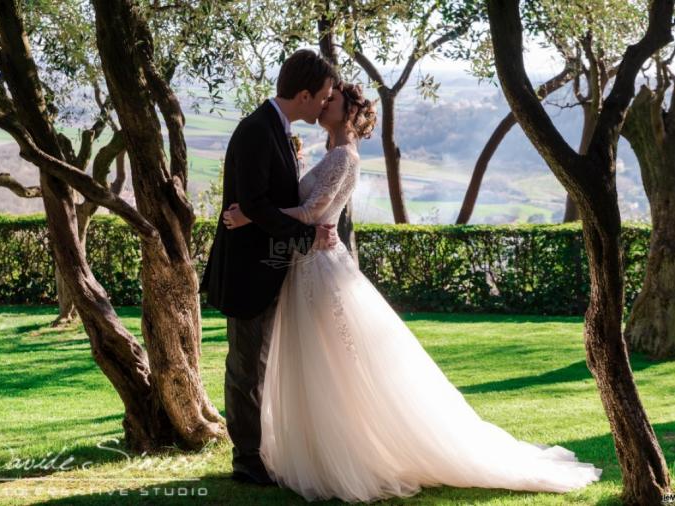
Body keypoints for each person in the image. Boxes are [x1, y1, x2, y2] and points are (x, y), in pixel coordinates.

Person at [221, 80, 603, 502]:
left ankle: (347, 454)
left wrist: (253, 217)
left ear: (349, 113)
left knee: (332, 366)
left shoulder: (343, 158)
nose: (324, 104)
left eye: (332, 100)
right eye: (324, 97)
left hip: (317, 272)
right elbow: (309, 213)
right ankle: (312, 450)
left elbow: (313, 212)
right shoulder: (330, 154)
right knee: (316, 365)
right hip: (305, 266)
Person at [199, 49, 340, 485]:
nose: (323, 105)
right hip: (247, 271)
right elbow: (255, 202)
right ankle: (246, 459)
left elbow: (261, 205)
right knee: (245, 367)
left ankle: (260, 451)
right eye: (322, 97)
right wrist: (306, 236)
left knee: (259, 364)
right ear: (303, 94)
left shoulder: (275, 129)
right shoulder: (257, 130)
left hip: (268, 267)